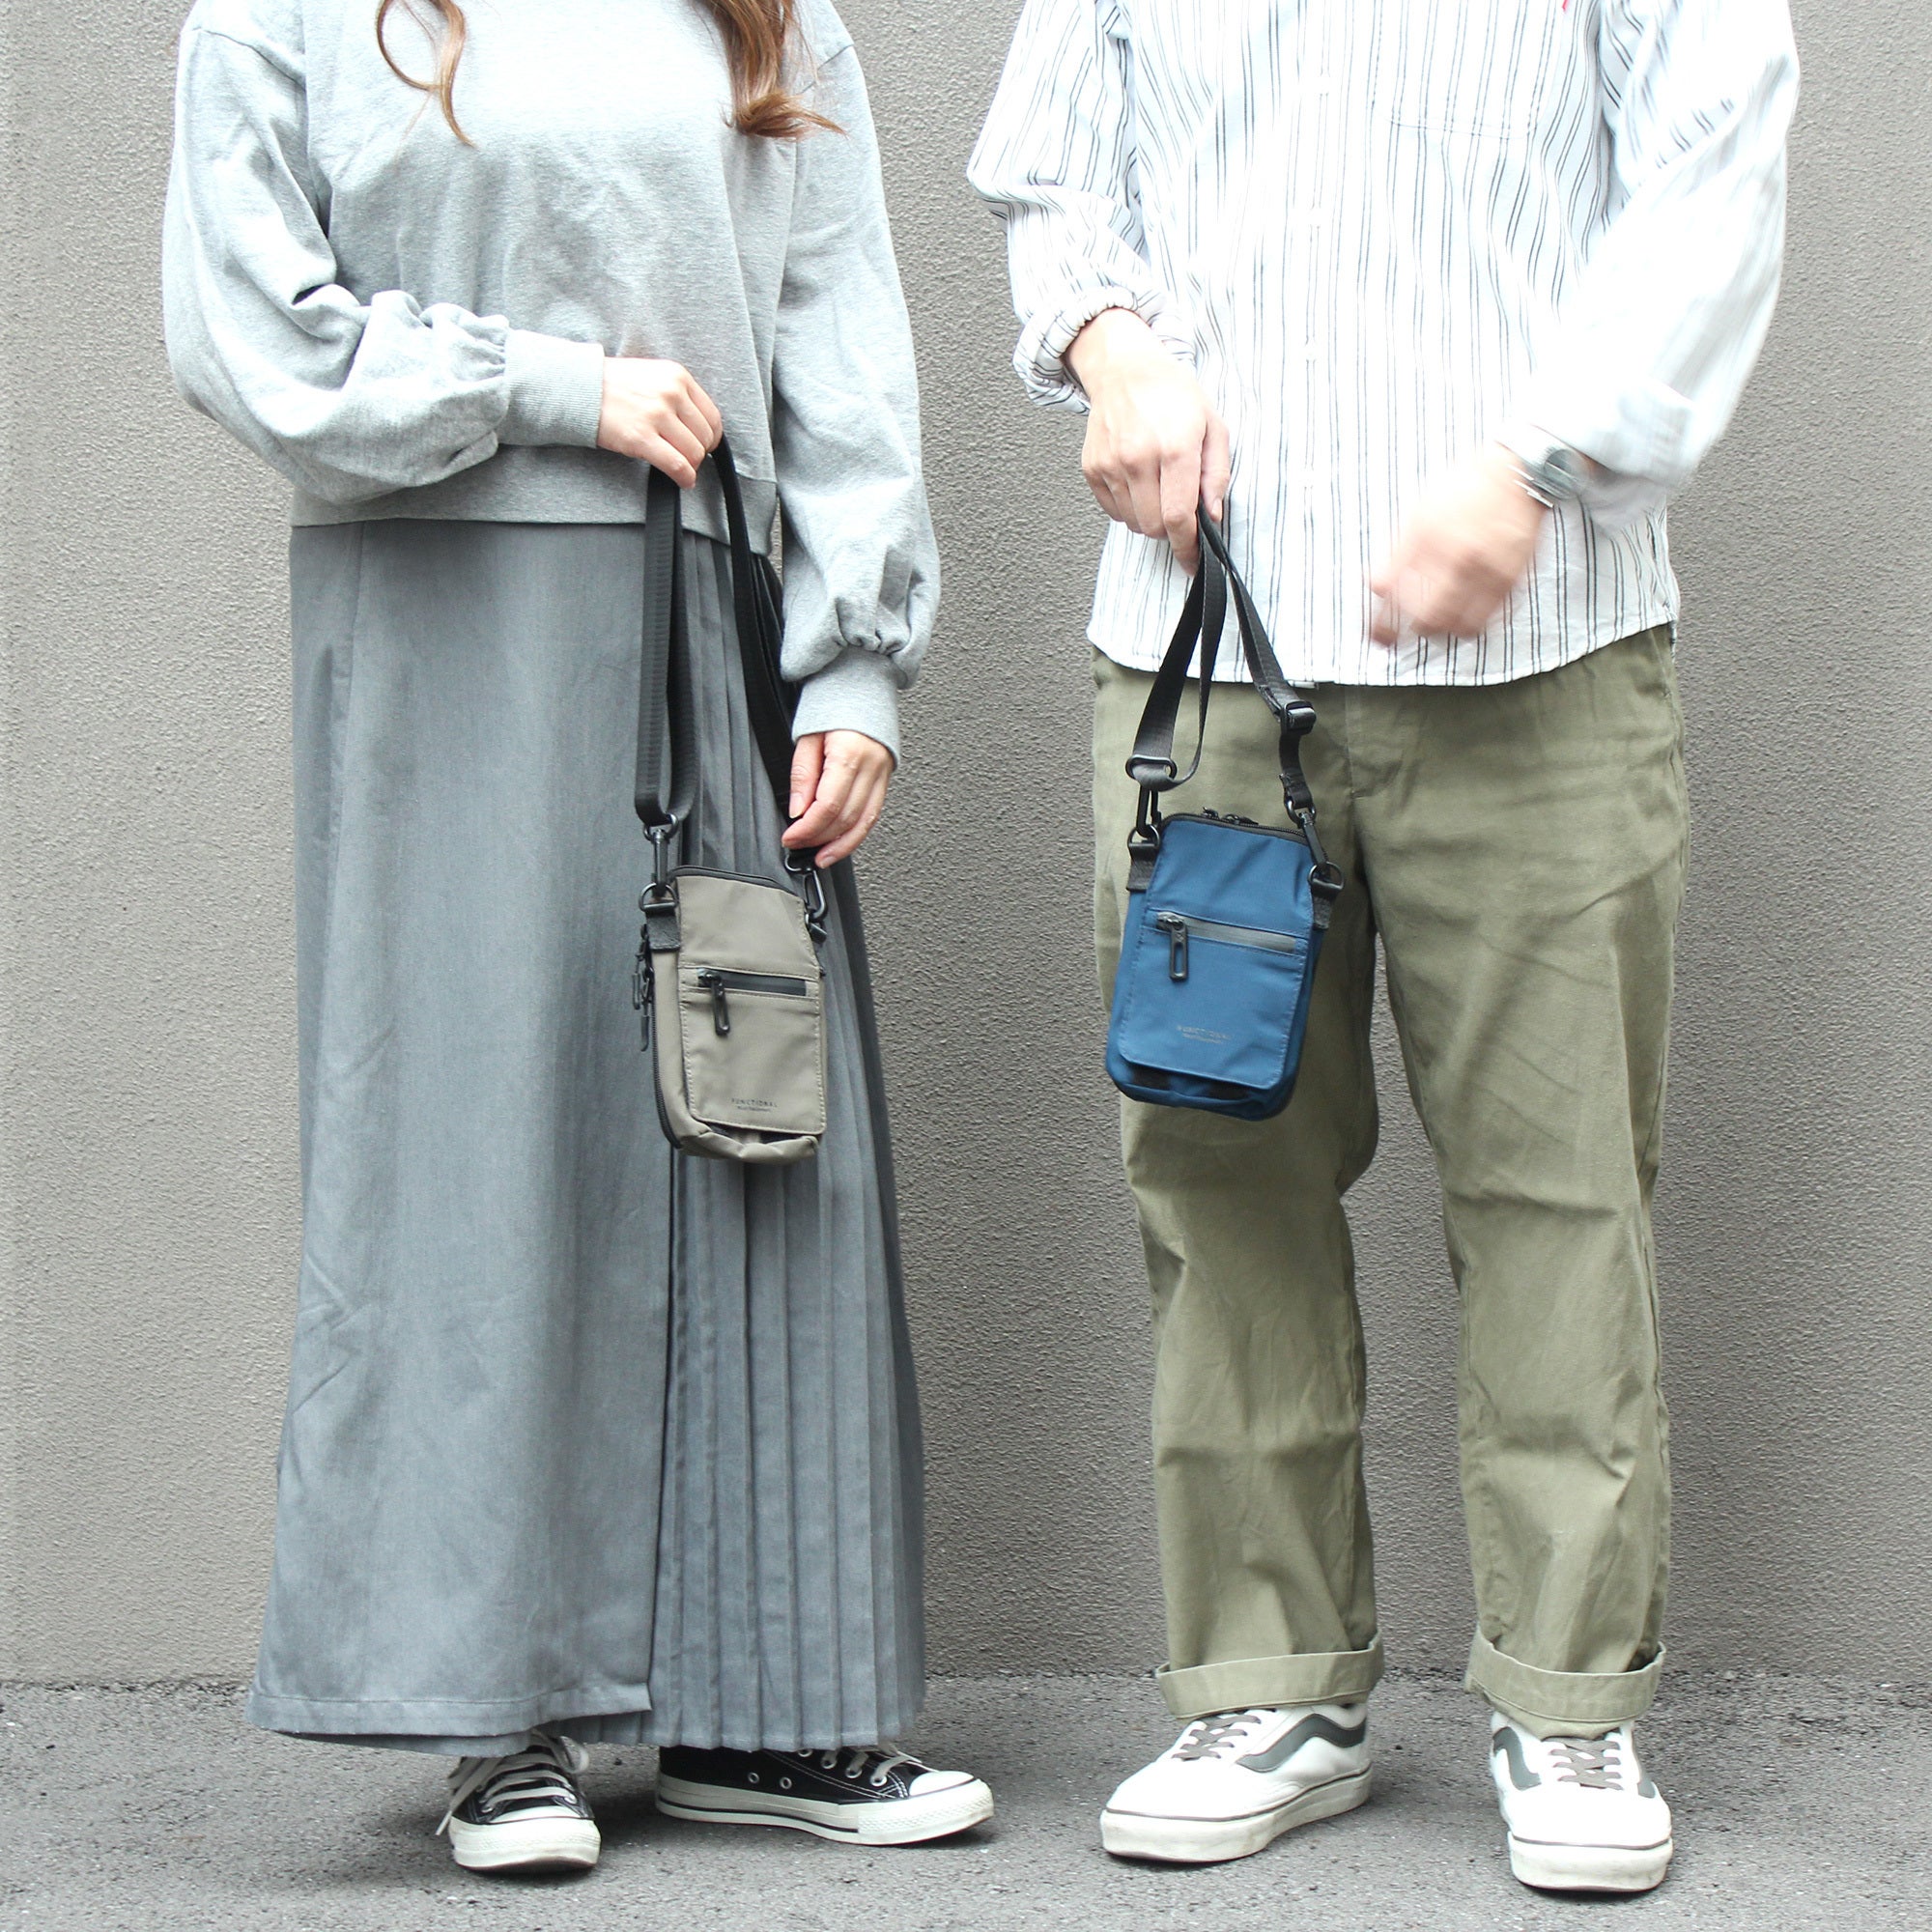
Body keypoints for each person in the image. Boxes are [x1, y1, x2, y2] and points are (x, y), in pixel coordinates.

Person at [971, 0, 1795, 1894]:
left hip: (1543, 646)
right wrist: (1109, 347)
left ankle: (1566, 1702)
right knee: (1216, 1180)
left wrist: (1533, 463)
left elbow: (1710, 175)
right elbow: (1049, 170)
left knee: (1560, 1191)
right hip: (1207, 653)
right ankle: (1268, 1688)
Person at [163, 0, 993, 1875]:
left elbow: (832, 325)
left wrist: (855, 655)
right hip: (436, 604)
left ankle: (767, 1707)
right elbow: (243, 320)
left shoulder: (761, 16)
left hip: (702, 596)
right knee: (471, 1140)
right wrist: (548, 385)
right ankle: (496, 1711)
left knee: (752, 1121)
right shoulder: (288, 16)